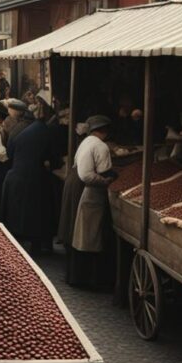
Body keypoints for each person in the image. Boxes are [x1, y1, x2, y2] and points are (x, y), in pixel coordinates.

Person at [58, 116, 116, 286]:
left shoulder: (86, 141)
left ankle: (74, 276)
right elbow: (89, 175)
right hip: (85, 188)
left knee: (75, 231)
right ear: (105, 131)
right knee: (85, 234)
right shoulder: (101, 146)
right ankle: (85, 279)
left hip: (74, 183)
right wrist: (106, 180)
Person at [0, 112, 61, 253]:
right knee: (38, 214)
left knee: (18, 215)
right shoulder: (46, 133)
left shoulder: (21, 132)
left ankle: (14, 245)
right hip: (34, 178)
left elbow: (10, 153)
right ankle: (37, 245)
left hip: (15, 176)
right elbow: (54, 158)